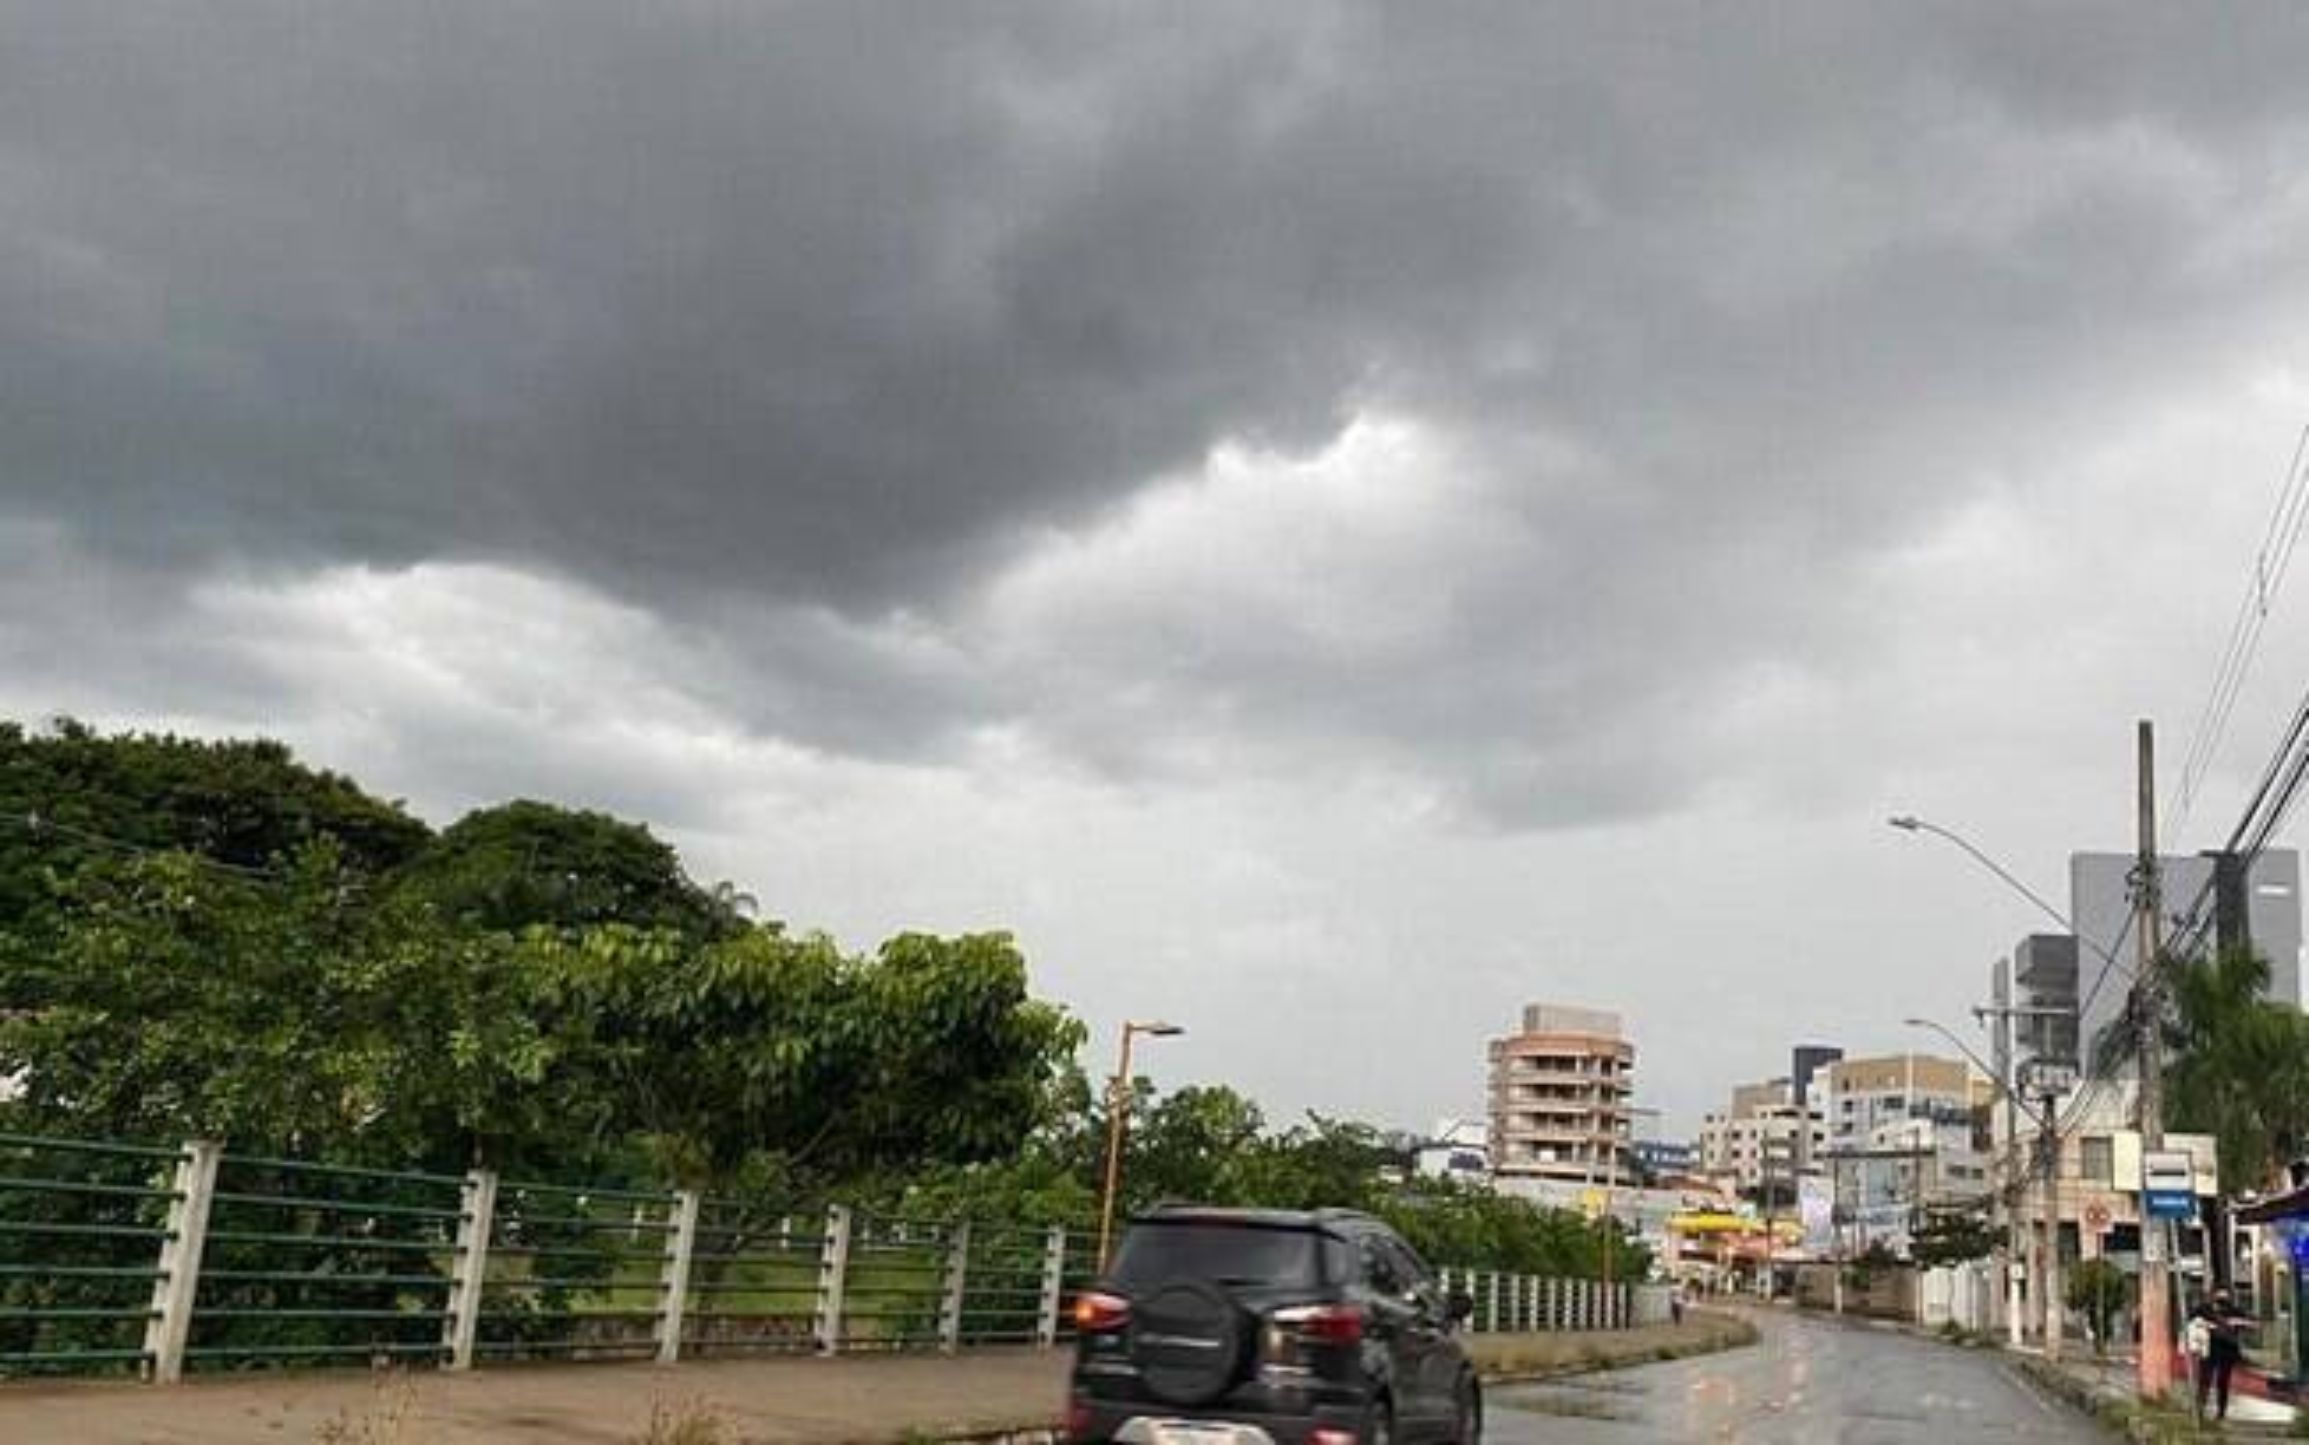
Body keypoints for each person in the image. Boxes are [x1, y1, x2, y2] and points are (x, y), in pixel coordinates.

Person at [2188, 1288, 2249, 1422]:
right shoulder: (2204, 1309)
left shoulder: (2234, 1310)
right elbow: (2191, 1319)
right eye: (2219, 1295)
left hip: (2227, 1350)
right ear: (2213, 1296)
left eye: (2224, 1296)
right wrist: (2205, 1325)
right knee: (2205, 1379)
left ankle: (2220, 1411)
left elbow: (2247, 1322)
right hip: (2209, 1348)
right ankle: (2199, 1409)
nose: (2221, 1299)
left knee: (2223, 1381)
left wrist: (2236, 1324)